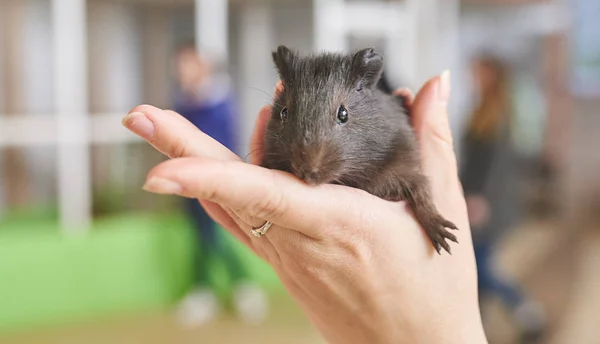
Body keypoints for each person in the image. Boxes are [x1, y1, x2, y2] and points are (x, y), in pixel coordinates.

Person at [123, 71, 489, 343]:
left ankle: (235, 290)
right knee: (210, 241)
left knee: (213, 242)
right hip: (226, 191)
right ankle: (222, 291)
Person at [169, 43, 268, 326]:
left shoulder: (218, 102)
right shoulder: (183, 103)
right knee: (203, 238)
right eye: (179, 66)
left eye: (188, 65)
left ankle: (237, 288)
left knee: (213, 237)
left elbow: (217, 143)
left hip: (215, 182)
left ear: (203, 67)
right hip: (187, 181)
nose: (182, 72)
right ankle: (216, 291)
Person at [459, 54, 546, 342]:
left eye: (479, 71)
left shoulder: (498, 115)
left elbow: (496, 166)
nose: (473, 77)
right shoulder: (481, 110)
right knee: (477, 266)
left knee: (480, 265)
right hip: (476, 201)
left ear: (492, 76)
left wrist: (479, 199)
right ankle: (477, 326)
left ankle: (525, 310)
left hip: (487, 206)